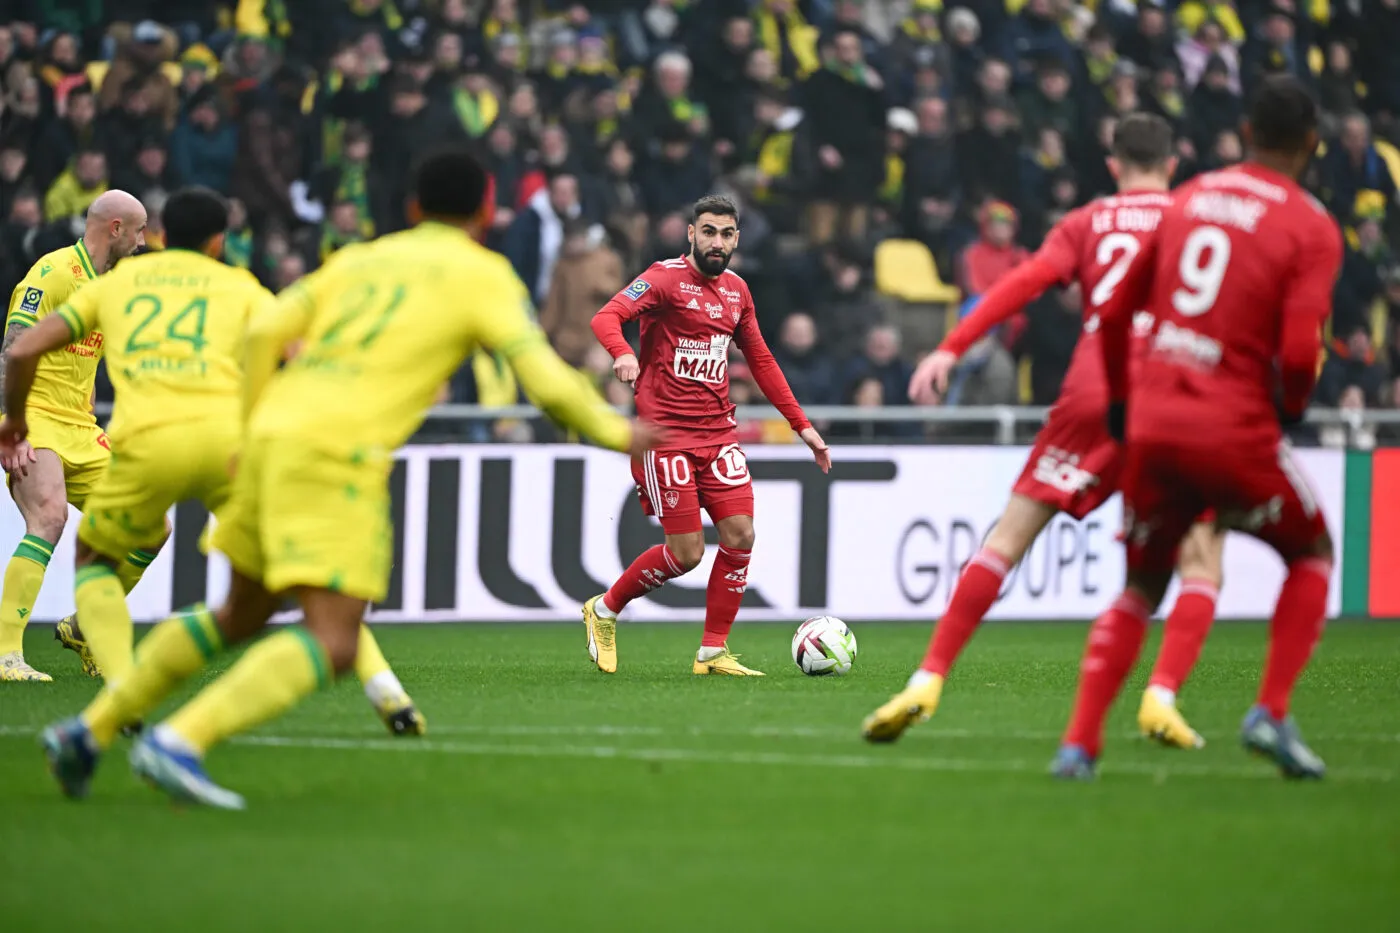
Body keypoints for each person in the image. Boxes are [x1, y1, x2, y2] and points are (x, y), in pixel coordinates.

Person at [30, 148, 660, 810]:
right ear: (484, 210)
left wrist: (250, 425)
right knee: (332, 639)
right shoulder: (483, 274)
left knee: (239, 613)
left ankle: (87, 731)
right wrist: (619, 431)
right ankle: (180, 739)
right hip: (335, 453)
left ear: (412, 207)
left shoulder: (361, 258)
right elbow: (544, 378)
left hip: (270, 431)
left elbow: (267, 332)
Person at [863, 114, 1224, 750]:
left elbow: (1017, 286)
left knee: (1006, 540)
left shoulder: (1086, 222)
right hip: (1171, 396)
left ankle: (927, 680)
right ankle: (1162, 695)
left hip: (1092, 390)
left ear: (1113, 165)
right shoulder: (1196, 219)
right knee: (1199, 559)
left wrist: (950, 347)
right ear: (1173, 165)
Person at [1051, 76, 1341, 780]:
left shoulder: (1188, 201)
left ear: (1243, 131)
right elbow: (1301, 351)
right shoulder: (1311, 226)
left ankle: (1079, 745)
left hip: (1151, 422)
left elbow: (1114, 313)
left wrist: (1123, 403)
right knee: (1311, 552)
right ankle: (1270, 709)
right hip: (1234, 425)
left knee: (1142, 585)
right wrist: (1291, 407)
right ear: (1312, 144)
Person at [584, 194, 830, 677]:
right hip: (665, 436)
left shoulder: (738, 291)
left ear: (737, 238)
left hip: (719, 436)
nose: (718, 242)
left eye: (727, 233)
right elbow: (605, 316)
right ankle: (605, 609)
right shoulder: (663, 279)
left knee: (741, 535)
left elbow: (761, 360)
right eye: (710, 232)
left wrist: (802, 425)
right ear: (691, 233)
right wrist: (622, 352)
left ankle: (712, 652)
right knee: (688, 554)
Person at [0, 190, 148, 682]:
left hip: (82, 426)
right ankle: (6, 655)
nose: (143, 241)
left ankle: (83, 628)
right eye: (139, 231)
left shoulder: (112, 286)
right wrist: (11, 426)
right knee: (49, 516)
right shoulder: (56, 271)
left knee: (149, 528)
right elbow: (13, 349)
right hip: (35, 416)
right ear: (115, 230)